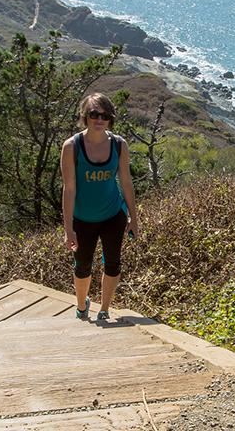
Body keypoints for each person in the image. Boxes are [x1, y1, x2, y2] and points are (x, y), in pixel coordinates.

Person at [60, 93, 139, 323]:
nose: (99, 119)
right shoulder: (72, 146)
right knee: (82, 265)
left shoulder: (119, 144)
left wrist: (133, 217)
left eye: (105, 115)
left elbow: (126, 181)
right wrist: (68, 229)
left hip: (113, 214)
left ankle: (104, 309)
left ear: (110, 119)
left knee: (113, 262)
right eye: (94, 114)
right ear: (85, 116)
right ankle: (82, 305)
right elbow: (69, 189)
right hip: (82, 218)